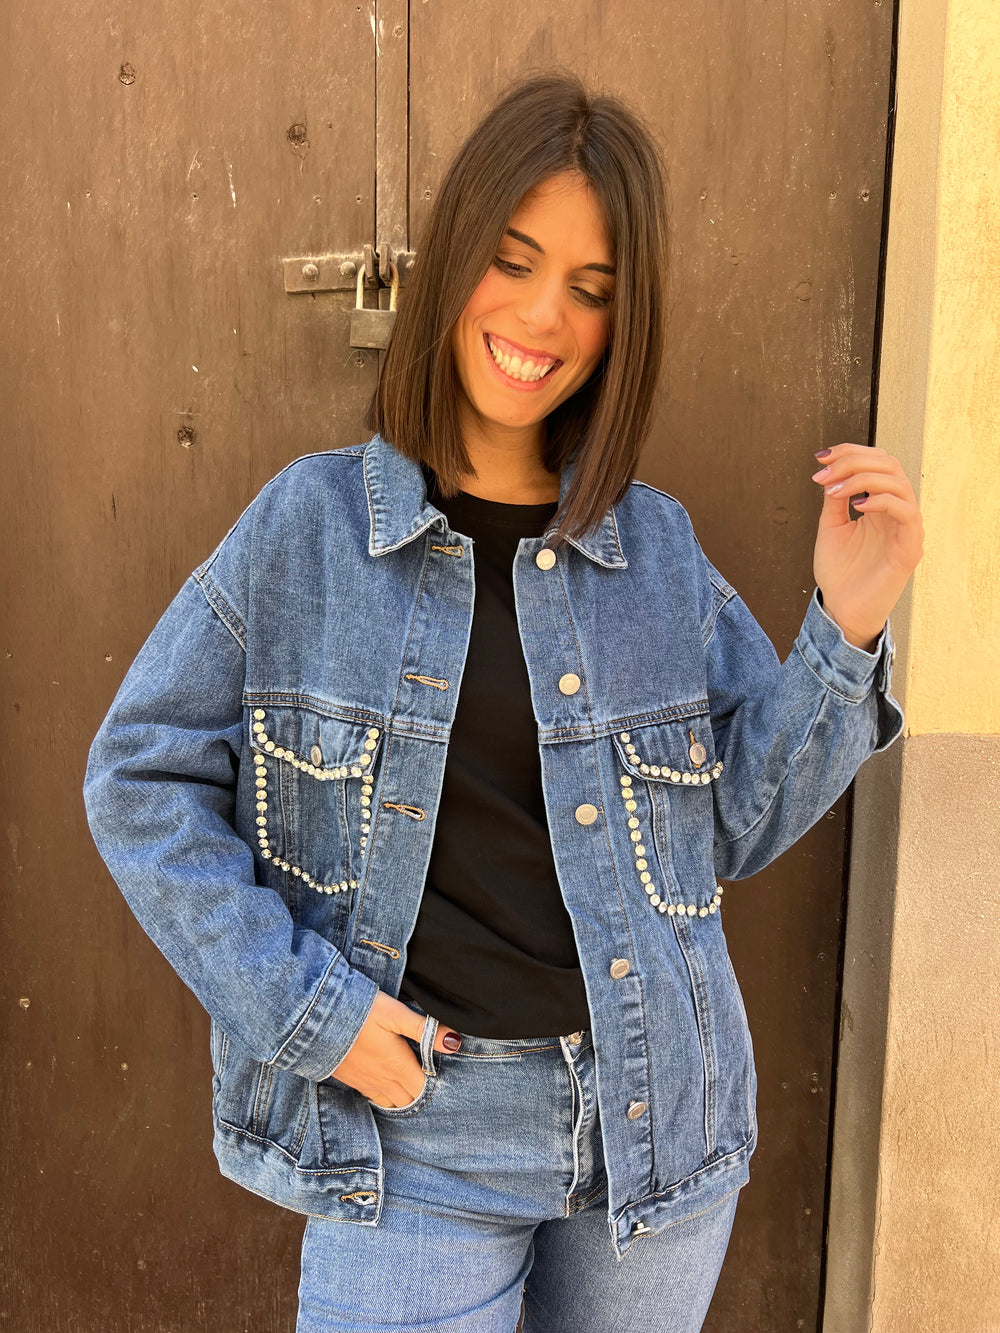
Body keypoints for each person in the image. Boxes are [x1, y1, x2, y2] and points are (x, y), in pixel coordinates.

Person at [83, 71, 922, 1333]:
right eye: (514, 260)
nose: (541, 315)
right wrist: (311, 1017)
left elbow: (736, 828)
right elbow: (138, 778)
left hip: (652, 1124)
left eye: (590, 287)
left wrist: (844, 629)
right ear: (456, 257)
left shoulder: (653, 550)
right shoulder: (308, 531)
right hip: (414, 1132)